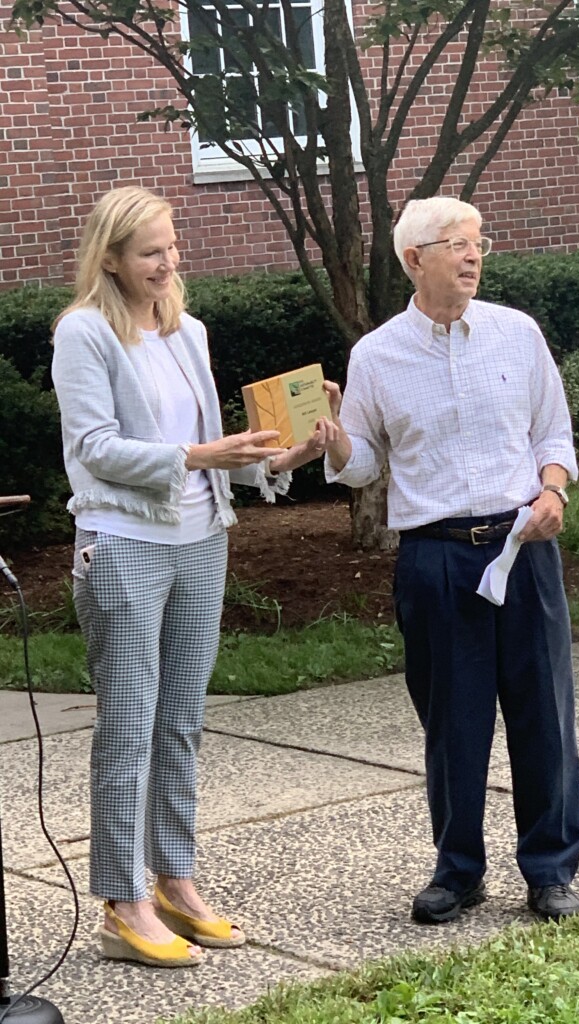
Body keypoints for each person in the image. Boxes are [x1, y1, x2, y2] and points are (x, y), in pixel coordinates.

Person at [51, 185, 338, 968]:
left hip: (201, 538)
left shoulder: (188, 332)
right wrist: (196, 457)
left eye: (172, 247)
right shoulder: (84, 334)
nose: (168, 263)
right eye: (150, 252)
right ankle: (122, 900)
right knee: (129, 728)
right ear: (109, 258)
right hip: (122, 545)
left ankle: (175, 879)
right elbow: (94, 449)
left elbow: (221, 458)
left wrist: (294, 450)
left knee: (180, 720)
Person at [323, 197, 579, 925]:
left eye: (479, 245)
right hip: (436, 560)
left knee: (544, 715)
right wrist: (337, 442)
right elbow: (365, 461)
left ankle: (550, 869)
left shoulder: (516, 335)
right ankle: (459, 870)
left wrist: (554, 490)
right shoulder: (377, 355)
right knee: (453, 723)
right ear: (415, 260)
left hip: (523, 547)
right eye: (456, 245)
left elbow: (551, 433)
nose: (473, 257)